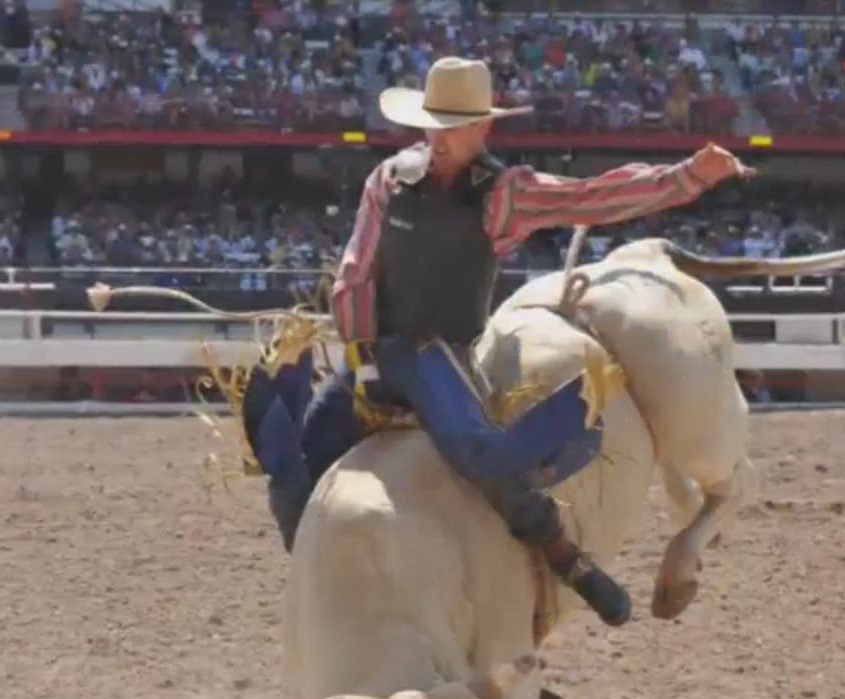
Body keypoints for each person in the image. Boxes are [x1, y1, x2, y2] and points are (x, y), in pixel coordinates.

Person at [256, 56, 752, 627]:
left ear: (481, 128)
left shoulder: (505, 195)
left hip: (438, 355)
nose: (438, 137)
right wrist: (362, 355)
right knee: (295, 462)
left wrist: (687, 176)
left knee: (479, 452)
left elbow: (593, 197)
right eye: (432, 123)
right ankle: (318, 577)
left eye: (453, 125)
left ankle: (561, 550)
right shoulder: (389, 180)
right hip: (376, 353)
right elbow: (355, 272)